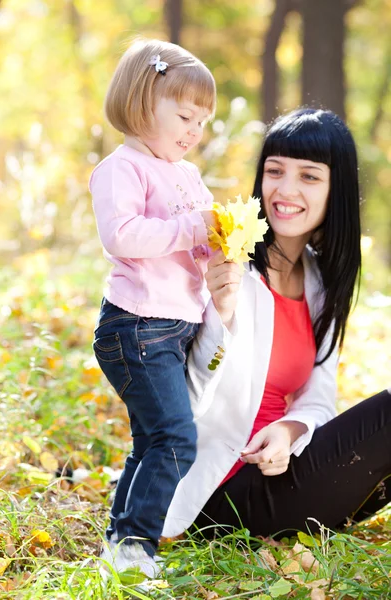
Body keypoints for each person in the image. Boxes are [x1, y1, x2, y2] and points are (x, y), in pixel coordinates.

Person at [162, 108, 391, 541]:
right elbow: (178, 400)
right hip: (216, 491)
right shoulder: (224, 259)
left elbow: (319, 400)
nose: (285, 190)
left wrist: (290, 429)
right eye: (275, 170)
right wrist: (221, 315)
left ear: (335, 189)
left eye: (309, 176)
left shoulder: (322, 281)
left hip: (282, 472)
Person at [89, 38, 218, 577]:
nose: (193, 132)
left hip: (175, 326)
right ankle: (137, 543)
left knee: (151, 438)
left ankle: (121, 538)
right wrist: (190, 229)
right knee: (175, 438)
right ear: (144, 103)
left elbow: (198, 237)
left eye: (202, 122)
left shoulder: (185, 174)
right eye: (184, 116)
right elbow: (121, 235)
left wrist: (218, 241)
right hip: (137, 326)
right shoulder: (124, 168)